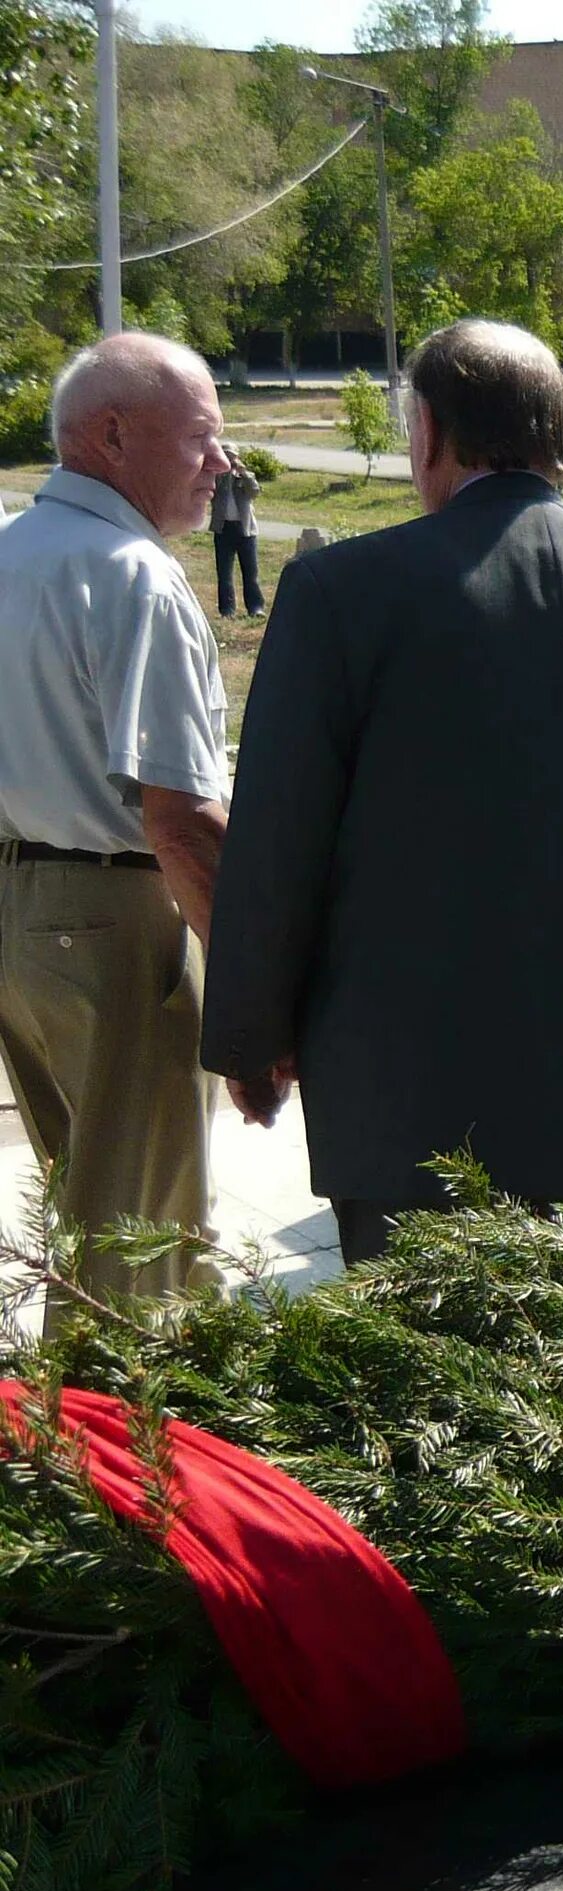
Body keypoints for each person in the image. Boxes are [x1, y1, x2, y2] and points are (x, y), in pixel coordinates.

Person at [201, 318, 563, 1266]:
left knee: (427, 1392)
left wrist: (250, 1037)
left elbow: (278, 841)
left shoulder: (340, 595)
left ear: (426, 431)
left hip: (407, 1106)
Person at [0, 333, 232, 1314]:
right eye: (201, 441)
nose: (222, 465)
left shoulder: (13, 549)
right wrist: (262, 979)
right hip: (113, 917)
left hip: (21, 913)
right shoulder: (134, 575)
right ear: (111, 434)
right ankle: (95, 1455)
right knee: (135, 1249)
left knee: (92, 1209)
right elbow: (180, 822)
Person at [211, 443, 263, 617]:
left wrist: (243, 474)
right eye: (225, 456)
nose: (229, 460)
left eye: (232, 456)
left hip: (245, 529)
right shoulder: (217, 477)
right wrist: (225, 472)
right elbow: (215, 492)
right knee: (224, 573)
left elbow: (254, 492)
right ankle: (227, 610)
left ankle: (255, 608)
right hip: (223, 528)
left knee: (250, 572)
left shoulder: (246, 476)